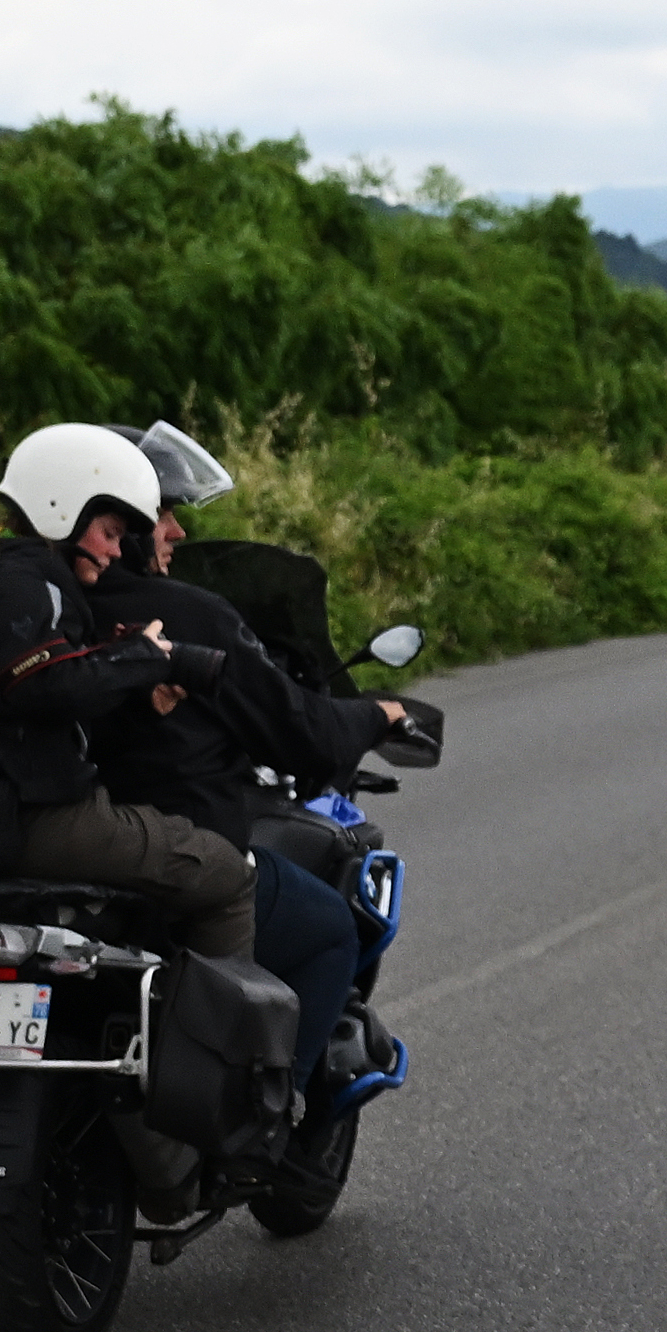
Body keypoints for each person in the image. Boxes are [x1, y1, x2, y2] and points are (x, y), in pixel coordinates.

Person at [86, 427, 420, 1117]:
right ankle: (267, 1119)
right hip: (169, 857)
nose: (176, 531)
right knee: (329, 930)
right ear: (113, 522)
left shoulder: (35, 608)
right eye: (160, 514)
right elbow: (302, 734)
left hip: (53, 858)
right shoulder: (186, 614)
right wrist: (375, 715)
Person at [0, 424, 255, 965]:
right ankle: (215, 1023)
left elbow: (18, 704)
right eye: (110, 532)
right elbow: (42, 685)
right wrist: (144, 656)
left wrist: (139, 695)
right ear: (63, 511)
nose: (116, 552)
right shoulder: (28, 583)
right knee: (227, 874)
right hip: (32, 814)